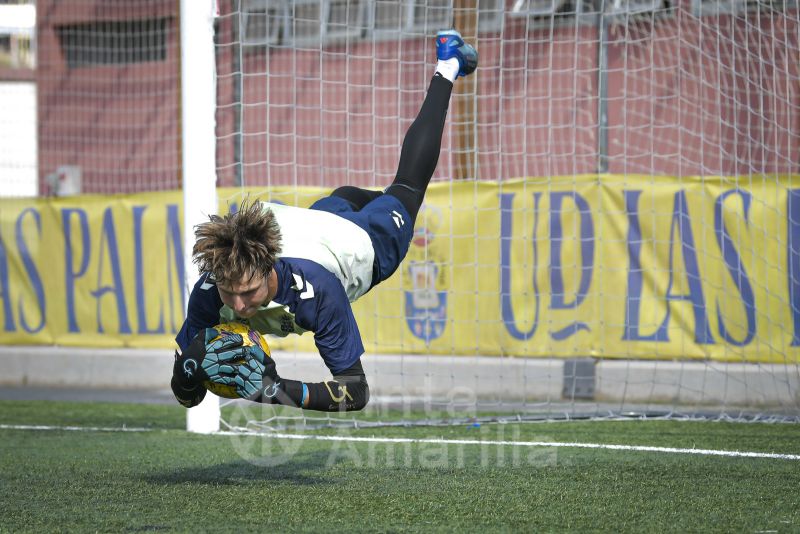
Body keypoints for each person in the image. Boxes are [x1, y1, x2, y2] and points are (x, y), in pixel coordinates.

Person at [171, 30, 478, 412]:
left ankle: (447, 66)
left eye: (248, 292)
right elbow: (188, 397)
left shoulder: (318, 291)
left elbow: (356, 392)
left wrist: (278, 390)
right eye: (229, 293)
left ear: (270, 264)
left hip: (366, 242)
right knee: (348, 196)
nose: (239, 304)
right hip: (320, 217)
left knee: (407, 187)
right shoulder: (210, 290)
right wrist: (186, 371)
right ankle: (367, 197)